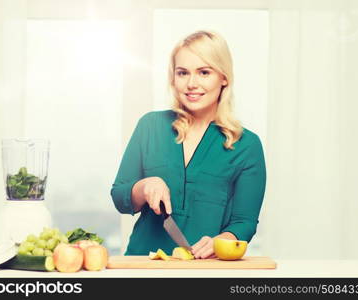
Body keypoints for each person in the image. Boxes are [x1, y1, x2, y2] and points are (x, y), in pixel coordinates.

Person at [111, 30, 266, 259]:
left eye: (204, 72)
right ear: (173, 78)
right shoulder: (150, 126)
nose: (192, 83)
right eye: (182, 73)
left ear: (223, 77)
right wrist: (145, 186)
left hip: (207, 271)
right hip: (142, 265)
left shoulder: (246, 144)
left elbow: (244, 222)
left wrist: (223, 240)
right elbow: (120, 198)